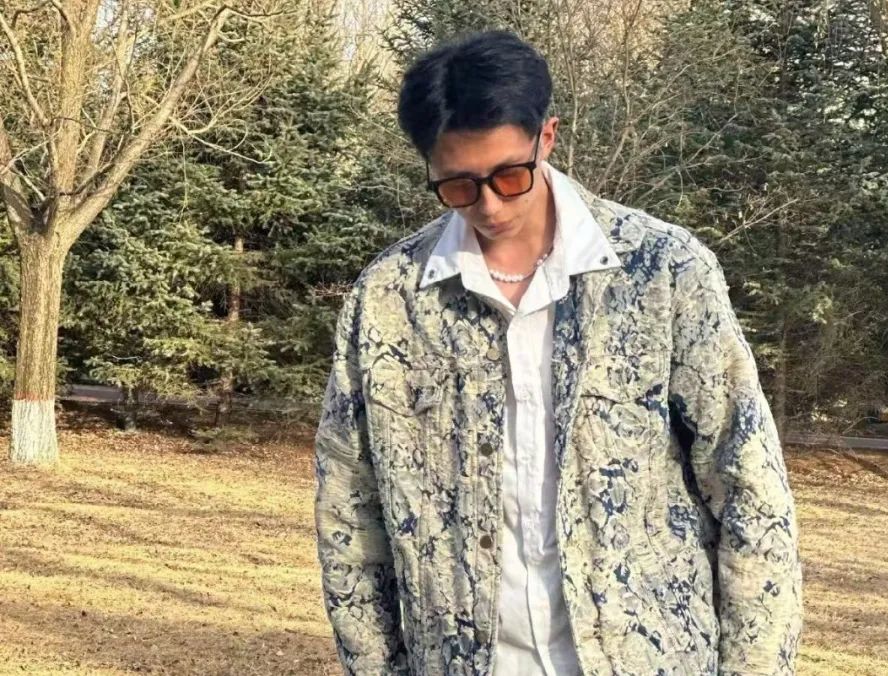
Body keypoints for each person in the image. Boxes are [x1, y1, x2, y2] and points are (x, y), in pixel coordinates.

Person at [314, 29, 803, 676]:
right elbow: (349, 511)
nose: (489, 205)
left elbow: (747, 484)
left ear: (547, 137)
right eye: (458, 186)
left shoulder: (664, 271)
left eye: (509, 176)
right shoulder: (389, 298)